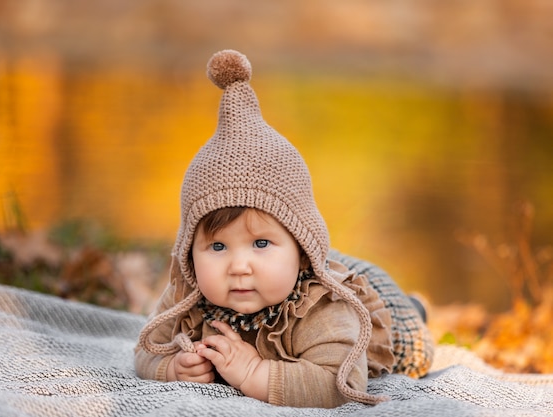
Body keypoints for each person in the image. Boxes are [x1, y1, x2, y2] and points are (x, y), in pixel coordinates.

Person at [135, 49, 434, 408]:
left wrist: (253, 374)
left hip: (374, 299)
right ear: (188, 253)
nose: (239, 266)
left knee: (416, 351)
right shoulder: (188, 296)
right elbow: (145, 348)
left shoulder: (323, 311)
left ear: (301, 246)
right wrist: (170, 368)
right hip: (298, 269)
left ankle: (417, 308)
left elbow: (339, 385)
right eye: (217, 247)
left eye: (260, 243)